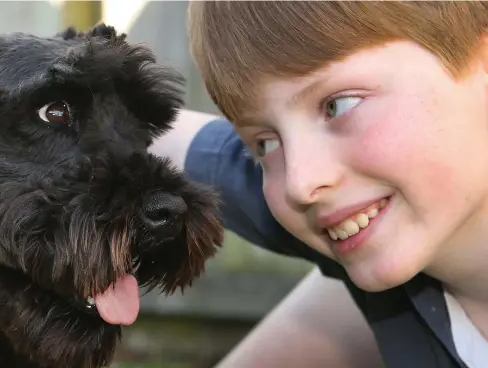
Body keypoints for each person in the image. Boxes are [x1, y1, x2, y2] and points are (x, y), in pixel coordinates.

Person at [150, 2, 488, 367]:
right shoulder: (366, 221)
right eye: (265, 144)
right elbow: (146, 136)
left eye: (338, 106)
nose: (300, 182)